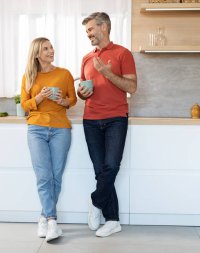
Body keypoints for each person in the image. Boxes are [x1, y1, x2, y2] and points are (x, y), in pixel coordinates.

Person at [78, 12, 137, 237]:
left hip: (116, 118)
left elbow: (131, 87)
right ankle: (112, 220)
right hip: (91, 119)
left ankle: (95, 203)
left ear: (104, 27)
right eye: (87, 32)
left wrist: (107, 73)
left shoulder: (123, 53)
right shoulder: (86, 58)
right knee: (100, 171)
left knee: (111, 166)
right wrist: (81, 93)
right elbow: (84, 90)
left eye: (91, 30)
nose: (89, 35)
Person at [21, 37, 77, 242]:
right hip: (36, 128)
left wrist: (63, 101)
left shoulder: (64, 74)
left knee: (55, 176)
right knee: (43, 176)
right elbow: (25, 105)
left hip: (61, 128)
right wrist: (39, 98)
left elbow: (72, 99)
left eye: (51, 47)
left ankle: (44, 217)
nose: (51, 51)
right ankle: (53, 220)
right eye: (46, 49)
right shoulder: (29, 76)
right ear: (37, 53)